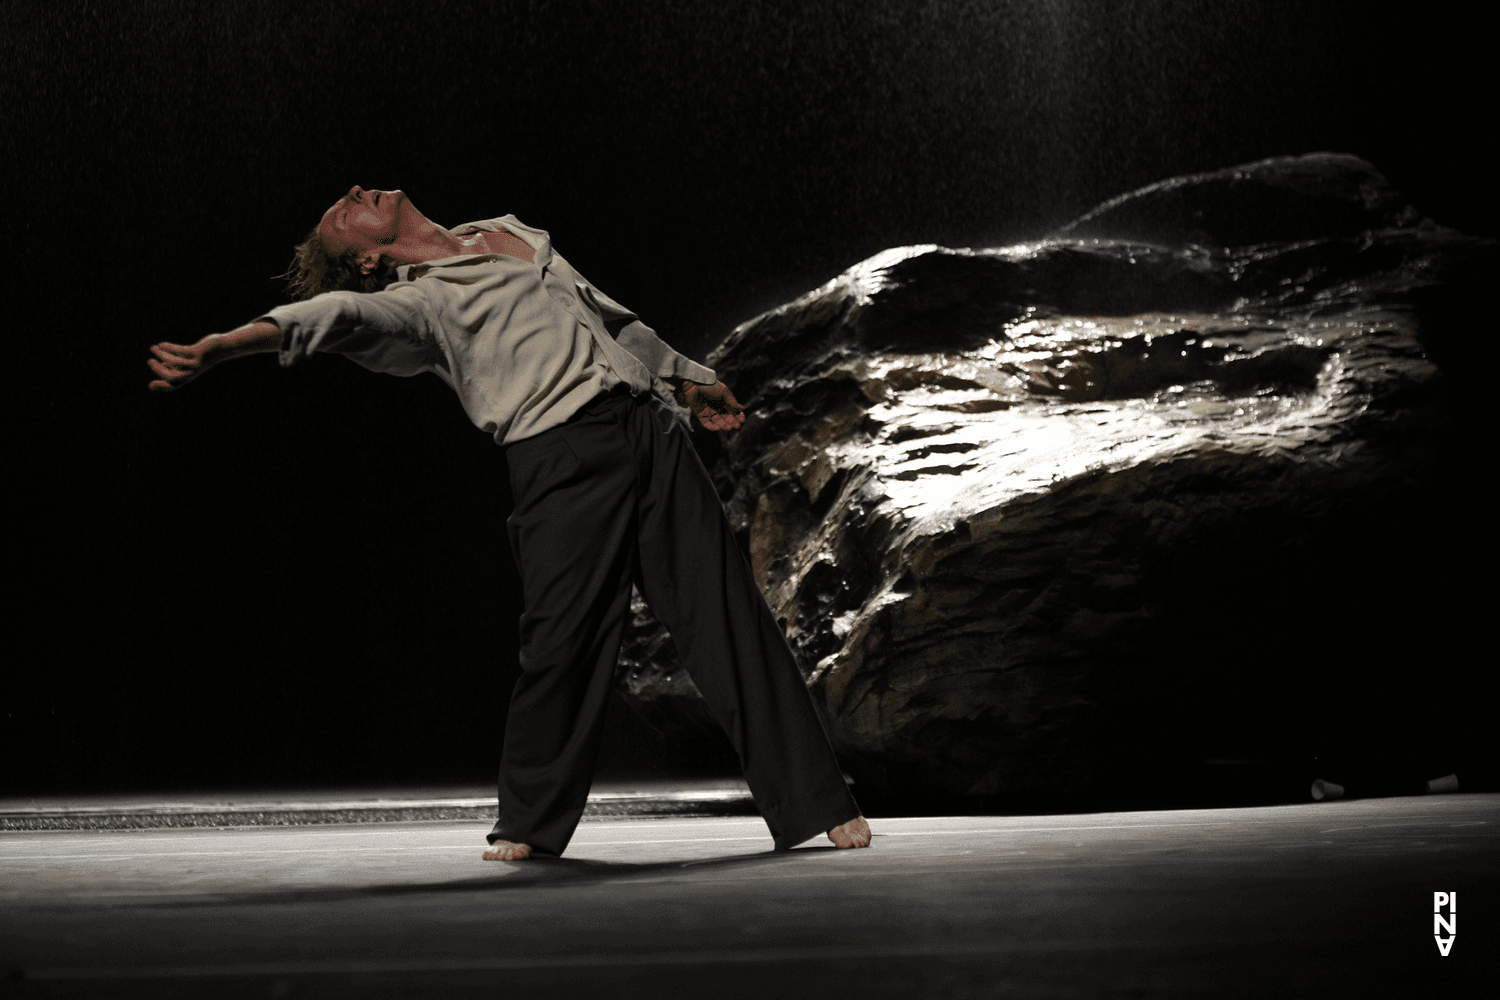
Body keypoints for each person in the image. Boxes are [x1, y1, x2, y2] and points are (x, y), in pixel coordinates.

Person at [147, 185, 871, 860]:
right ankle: (529, 820)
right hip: (561, 454)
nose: (354, 192)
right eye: (342, 213)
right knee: (564, 638)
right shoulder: (421, 304)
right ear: (365, 259)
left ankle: (815, 800)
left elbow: (609, 316)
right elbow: (334, 317)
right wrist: (229, 344)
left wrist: (685, 373)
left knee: (726, 616)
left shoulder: (509, 232)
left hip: (652, 430)